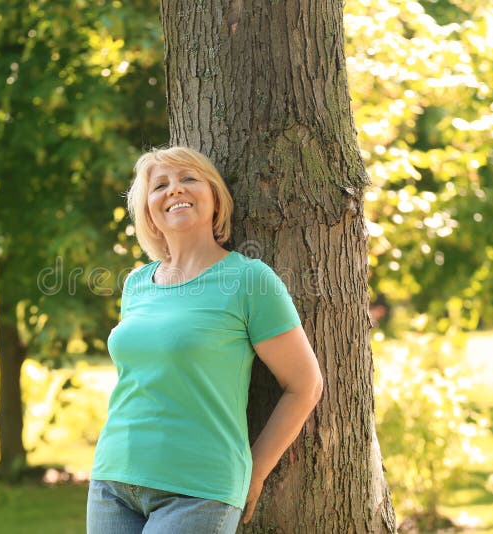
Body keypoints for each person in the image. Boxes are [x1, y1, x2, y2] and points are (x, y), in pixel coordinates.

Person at [86, 146, 323, 533]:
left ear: (215, 197)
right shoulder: (135, 284)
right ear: (148, 210)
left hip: (198, 488)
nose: (175, 190)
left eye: (189, 179)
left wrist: (256, 471)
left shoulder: (250, 280)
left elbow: (305, 385)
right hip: (113, 480)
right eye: (160, 185)